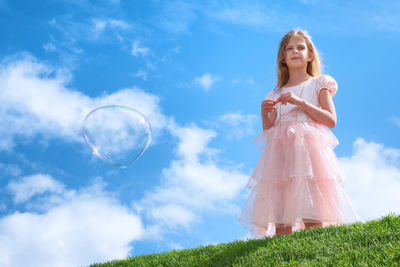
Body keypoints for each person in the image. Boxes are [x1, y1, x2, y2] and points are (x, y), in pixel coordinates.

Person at [238, 29, 360, 237]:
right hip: (280, 157)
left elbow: (330, 120)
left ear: (310, 55)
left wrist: (301, 103)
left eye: (301, 48)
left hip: (309, 153)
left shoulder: (318, 83)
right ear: (283, 58)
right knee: (280, 213)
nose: (296, 51)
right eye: (290, 49)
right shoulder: (276, 93)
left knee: (311, 209)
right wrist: (264, 114)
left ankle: (315, 251)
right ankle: (282, 256)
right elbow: (270, 132)